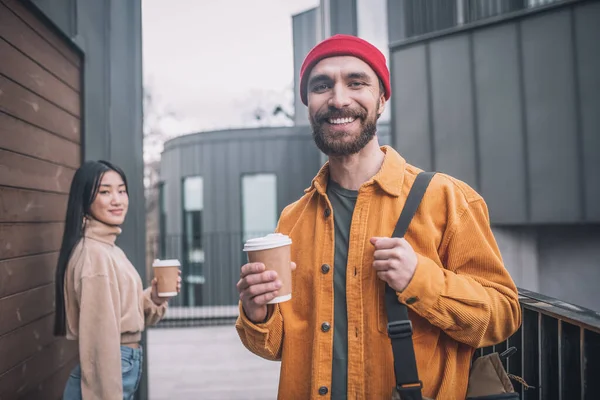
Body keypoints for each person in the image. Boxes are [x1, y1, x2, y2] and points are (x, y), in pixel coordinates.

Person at [236, 34, 521, 399]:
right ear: (308, 104)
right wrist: (257, 312)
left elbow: (503, 317)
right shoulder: (292, 220)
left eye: (357, 83)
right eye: (322, 86)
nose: (339, 98)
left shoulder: (448, 199)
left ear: (382, 100)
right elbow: (275, 348)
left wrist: (421, 279)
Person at [54, 160, 181, 400]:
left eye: (121, 190)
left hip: (120, 364)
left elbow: (120, 313)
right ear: (85, 199)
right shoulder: (95, 256)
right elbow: (100, 342)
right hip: (111, 367)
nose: (117, 200)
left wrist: (154, 297)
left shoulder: (108, 248)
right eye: (104, 191)